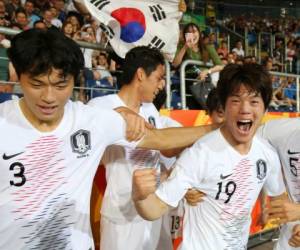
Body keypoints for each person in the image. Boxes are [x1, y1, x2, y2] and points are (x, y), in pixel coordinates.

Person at [1, 28, 217, 250]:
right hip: (118, 215)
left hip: (131, 217)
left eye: (60, 85)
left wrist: (217, 129)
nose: (48, 97)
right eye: (36, 84)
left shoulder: (92, 120)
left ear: (75, 79)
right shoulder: (4, 122)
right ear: (18, 74)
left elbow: (158, 139)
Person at [132, 63, 286, 250]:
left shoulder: (267, 154)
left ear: (265, 109)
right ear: (225, 106)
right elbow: (153, 209)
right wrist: (139, 197)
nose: (245, 109)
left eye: (254, 101)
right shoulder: (200, 154)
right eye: (236, 100)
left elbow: (280, 200)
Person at [88, 46, 187, 250]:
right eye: (159, 77)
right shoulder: (100, 105)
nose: (162, 84)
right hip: (122, 215)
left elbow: (164, 147)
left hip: (153, 206)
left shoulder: (150, 109)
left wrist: (191, 142)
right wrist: (121, 112)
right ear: (141, 74)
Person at [172, 22, 224, 109]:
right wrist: (185, 47)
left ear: (199, 33)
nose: (192, 34)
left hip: (202, 82)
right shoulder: (181, 47)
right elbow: (175, 64)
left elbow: (220, 65)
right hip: (186, 82)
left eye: (194, 31)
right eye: (189, 32)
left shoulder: (207, 47)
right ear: (185, 35)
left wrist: (207, 71)